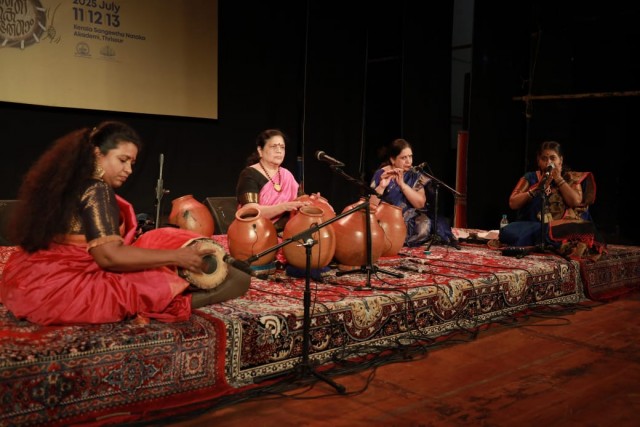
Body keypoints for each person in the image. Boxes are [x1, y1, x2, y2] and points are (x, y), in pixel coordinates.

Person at [0, 121, 250, 326]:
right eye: (122, 160)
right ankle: (166, 306)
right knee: (238, 280)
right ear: (98, 153)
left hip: (37, 277)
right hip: (70, 288)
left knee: (159, 263)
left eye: (132, 163)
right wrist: (178, 257)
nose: (129, 169)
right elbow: (108, 257)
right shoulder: (96, 190)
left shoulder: (70, 182)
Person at [499, 140, 604, 257]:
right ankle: (551, 240)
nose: (549, 162)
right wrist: (537, 188)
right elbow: (513, 203)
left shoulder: (571, 178)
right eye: (544, 159)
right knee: (508, 231)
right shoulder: (530, 177)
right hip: (534, 226)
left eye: (553, 158)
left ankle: (546, 239)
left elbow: (575, 202)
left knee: (575, 227)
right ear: (538, 161)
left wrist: (558, 179)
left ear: (560, 160)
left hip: (561, 227)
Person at [370, 138, 457, 247]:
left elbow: (420, 204)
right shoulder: (381, 174)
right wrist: (382, 186)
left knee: (424, 225)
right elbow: (371, 205)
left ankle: (397, 240)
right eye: (403, 158)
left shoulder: (414, 174)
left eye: (410, 156)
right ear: (392, 159)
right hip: (387, 218)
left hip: (409, 219)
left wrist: (402, 185)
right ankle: (393, 240)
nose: (409, 161)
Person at [236, 129, 306, 232]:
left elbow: (301, 200)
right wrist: (283, 206)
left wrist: (314, 200)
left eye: (282, 147)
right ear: (260, 150)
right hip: (256, 233)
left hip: (287, 232)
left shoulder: (287, 175)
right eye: (274, 146)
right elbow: (251, 212)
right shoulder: (249, 174)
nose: (279, 151)